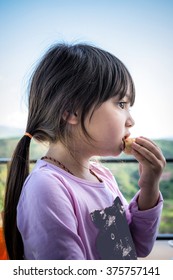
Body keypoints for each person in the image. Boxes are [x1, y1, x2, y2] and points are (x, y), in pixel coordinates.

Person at [3, 43, 166, 260]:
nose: (131, 120)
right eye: (120, 104)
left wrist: (149, 186)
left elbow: (138, 245)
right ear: (71, 111)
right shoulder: (47, 187)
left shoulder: (102, 176)